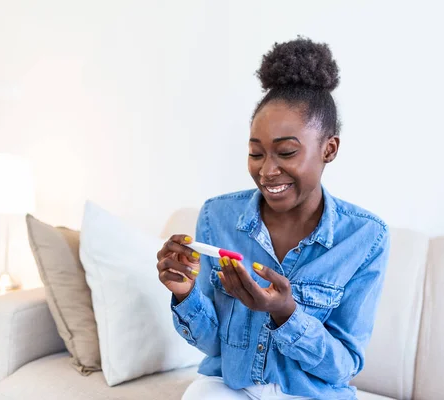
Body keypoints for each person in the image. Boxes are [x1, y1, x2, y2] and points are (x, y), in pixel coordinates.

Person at [156, 36, 391, 400]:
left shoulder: (365, 237)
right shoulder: (217, 216)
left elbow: (344, 365)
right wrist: (185, 293)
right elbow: (213, 344)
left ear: (329, 148)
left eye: (286, 152)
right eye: (256, 153)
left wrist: (285, 313)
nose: (267, 171)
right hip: (230, 387)